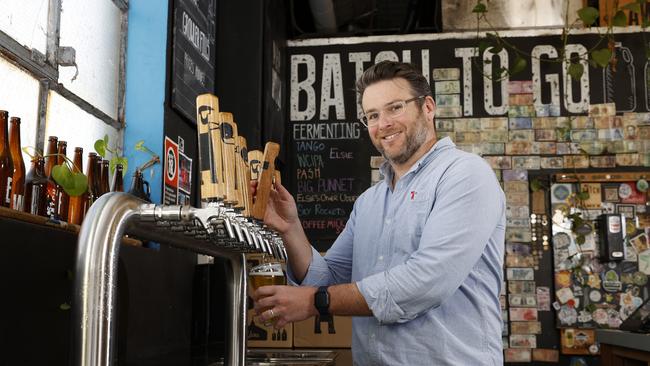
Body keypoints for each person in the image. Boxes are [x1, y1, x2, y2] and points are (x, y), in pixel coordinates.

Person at [252, 61, 505, 365]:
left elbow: (428, 282)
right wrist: (291, 228)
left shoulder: (464, 175)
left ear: (428, 107)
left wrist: (315, 301)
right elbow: (328, 278)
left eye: (395, 108)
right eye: (372, 115)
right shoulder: (369, 202)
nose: (382, 123)